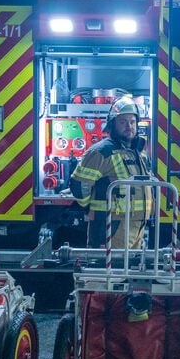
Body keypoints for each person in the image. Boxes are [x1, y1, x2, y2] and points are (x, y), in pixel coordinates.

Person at [70, 97, 154, 249]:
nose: (129, 126)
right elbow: (79, 184)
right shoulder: (101, 152)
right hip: (111, 225)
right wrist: (90, 207)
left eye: (132, 122)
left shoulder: (137, 153)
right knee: (111, 270)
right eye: (123, 122)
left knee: (130, 270)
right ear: (112, 125)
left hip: (136, 225)